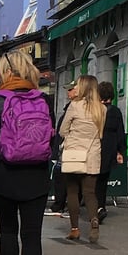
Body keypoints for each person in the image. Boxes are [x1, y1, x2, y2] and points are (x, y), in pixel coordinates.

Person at [0, 50, 53, 255]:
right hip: (37, 178)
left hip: (4, 176)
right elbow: (51, 139)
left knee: (8, 232)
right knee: (32, 235)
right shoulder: (44, 99)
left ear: (7, 71)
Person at [59, 75, 105, 244]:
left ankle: (75, 229)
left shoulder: (75, 106)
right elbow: (100, 134)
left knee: (72, 192)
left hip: (74, 155)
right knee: (90, 193)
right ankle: (94, 222)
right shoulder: (102, 109)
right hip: (92, 155)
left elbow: (63, 130)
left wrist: (72, 136)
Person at [95, 81, 125, 223]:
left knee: (92, 180)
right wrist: (120, 151)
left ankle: (95, 207)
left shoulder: (96, 111)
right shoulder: (115, 112)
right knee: (103, 180)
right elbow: (120, 133)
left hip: (95, 147)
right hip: (110, 149)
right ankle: (101, 206)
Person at [48, 80, 77, 217]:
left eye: (71, 89)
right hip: (66, 149)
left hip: (69, 149)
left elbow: (64, 130)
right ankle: (62, 205)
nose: (68, 92)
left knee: (64, 179)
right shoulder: (69, 107)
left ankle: (60, 205)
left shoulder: (74, 108)